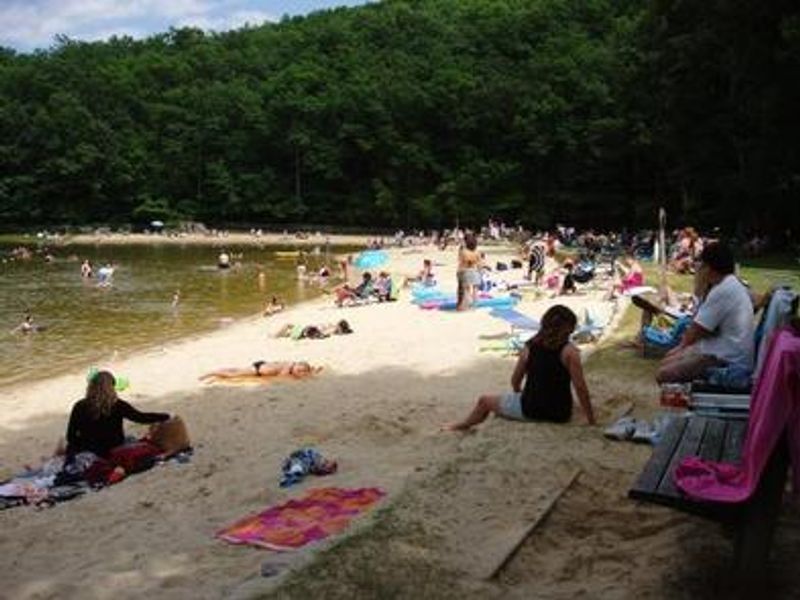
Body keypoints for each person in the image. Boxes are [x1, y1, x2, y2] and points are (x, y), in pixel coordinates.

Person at [443, 305, 595, 431]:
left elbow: (515, 380)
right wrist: (591, 419)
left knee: (484, 401)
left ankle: (462, 425)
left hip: (532, 409)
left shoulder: (529, 347)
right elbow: (580, 387)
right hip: (560, 413)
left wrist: (519, 393)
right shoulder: (570, 352)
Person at [656, 243, 756, 383]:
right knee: (669, 361)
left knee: (664, 374)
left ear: (708, 267)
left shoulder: (722, 290)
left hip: (727, 359)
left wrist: (698, 288)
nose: (698, 268)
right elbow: (703, 328)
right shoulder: (730, 284)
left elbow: (695, 330)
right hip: (729, 352)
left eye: (701, 264)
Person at [64, 371, 170, 461]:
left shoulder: (79, 406)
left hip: (89, 449)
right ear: (111, 388)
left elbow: (70, 436)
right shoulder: (118, 405)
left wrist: (83, 445)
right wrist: (165, 416)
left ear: (91, 387)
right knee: (133, 439)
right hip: (113, 447)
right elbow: (141, 417)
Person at [200, 361, 319, 380]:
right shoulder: (288, 368)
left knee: (235, 370)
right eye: (300, 370)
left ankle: (214, 372)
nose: (300, 372)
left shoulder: (291, 364)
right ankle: (211, 373)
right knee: (232, 375)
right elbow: (281, 378)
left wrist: (311, 372)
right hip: (258, 370)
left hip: (261, 366)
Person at [456, 232, 482, 311]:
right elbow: (479, 263)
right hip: (475, 270)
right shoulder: (477, 252)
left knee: (466, 289)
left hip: (465, 270)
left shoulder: (463, 251)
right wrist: (480, 272)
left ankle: (466, 305)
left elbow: (460, 261)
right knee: (475, 289)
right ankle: (475, 306)